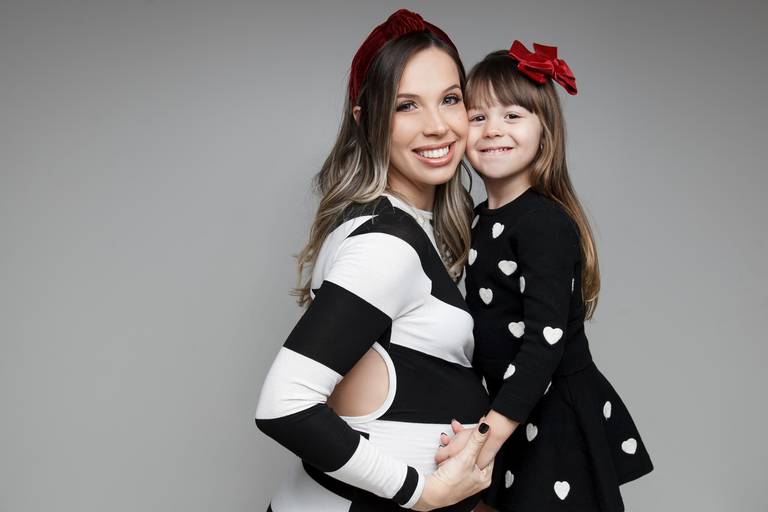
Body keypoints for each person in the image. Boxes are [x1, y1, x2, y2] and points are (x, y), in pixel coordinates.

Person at [254, 10, 492, 511]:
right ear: (367, 121)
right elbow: (284, 405)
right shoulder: (386, 244)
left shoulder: (404, 226)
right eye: (406, 106)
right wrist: (423, 493)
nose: (437, 126)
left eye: (450, 99)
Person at [436, 41, 654, 511]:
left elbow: (543, 343)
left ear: (544, 131)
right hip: (509, 409)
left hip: (551, 416)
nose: (494, 129)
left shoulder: (543, 224)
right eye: (478, 117)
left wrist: (483, 442)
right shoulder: (478, 220)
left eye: (512, 115)